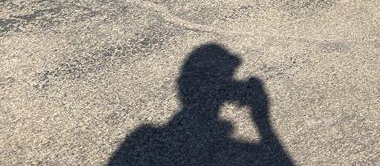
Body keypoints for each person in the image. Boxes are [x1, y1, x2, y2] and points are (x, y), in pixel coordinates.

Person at [107, 43, 294, 165]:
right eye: (226, 76)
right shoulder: (233, 149)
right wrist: (261, 119)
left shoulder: (142, 138)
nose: (231, 81)